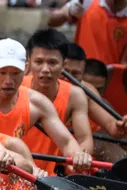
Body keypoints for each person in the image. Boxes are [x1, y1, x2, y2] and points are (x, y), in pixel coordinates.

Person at [0, 38, 93, 171]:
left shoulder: (37, 102)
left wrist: (78, 155)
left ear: (25, 68)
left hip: (18, 174)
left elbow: (66, 142)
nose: (8, 80)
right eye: (2, 73)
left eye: (15, 73)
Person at [18, 29, 95, 174]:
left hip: (47, 175)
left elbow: (84, 138)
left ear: (63, 64)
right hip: (15, 168)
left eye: (52, 62)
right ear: (29, 63)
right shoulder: (16, 87)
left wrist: (80, 156)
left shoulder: (75, 95)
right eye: (39, 62)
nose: (45, 69)